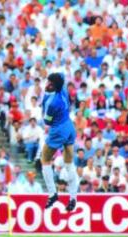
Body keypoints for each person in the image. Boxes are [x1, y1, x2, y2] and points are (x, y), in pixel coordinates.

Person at [41, 73, 77, 212]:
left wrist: (44, 105)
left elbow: (47, 121)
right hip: (69, 126)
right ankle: (73, 197)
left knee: (44, 158)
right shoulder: (63, 89)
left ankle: (52, 193)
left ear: (54, 85)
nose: (47, 85)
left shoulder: (51, 103)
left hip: (58, 130)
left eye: (49, 83)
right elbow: (62, 75)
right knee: (69, 164)